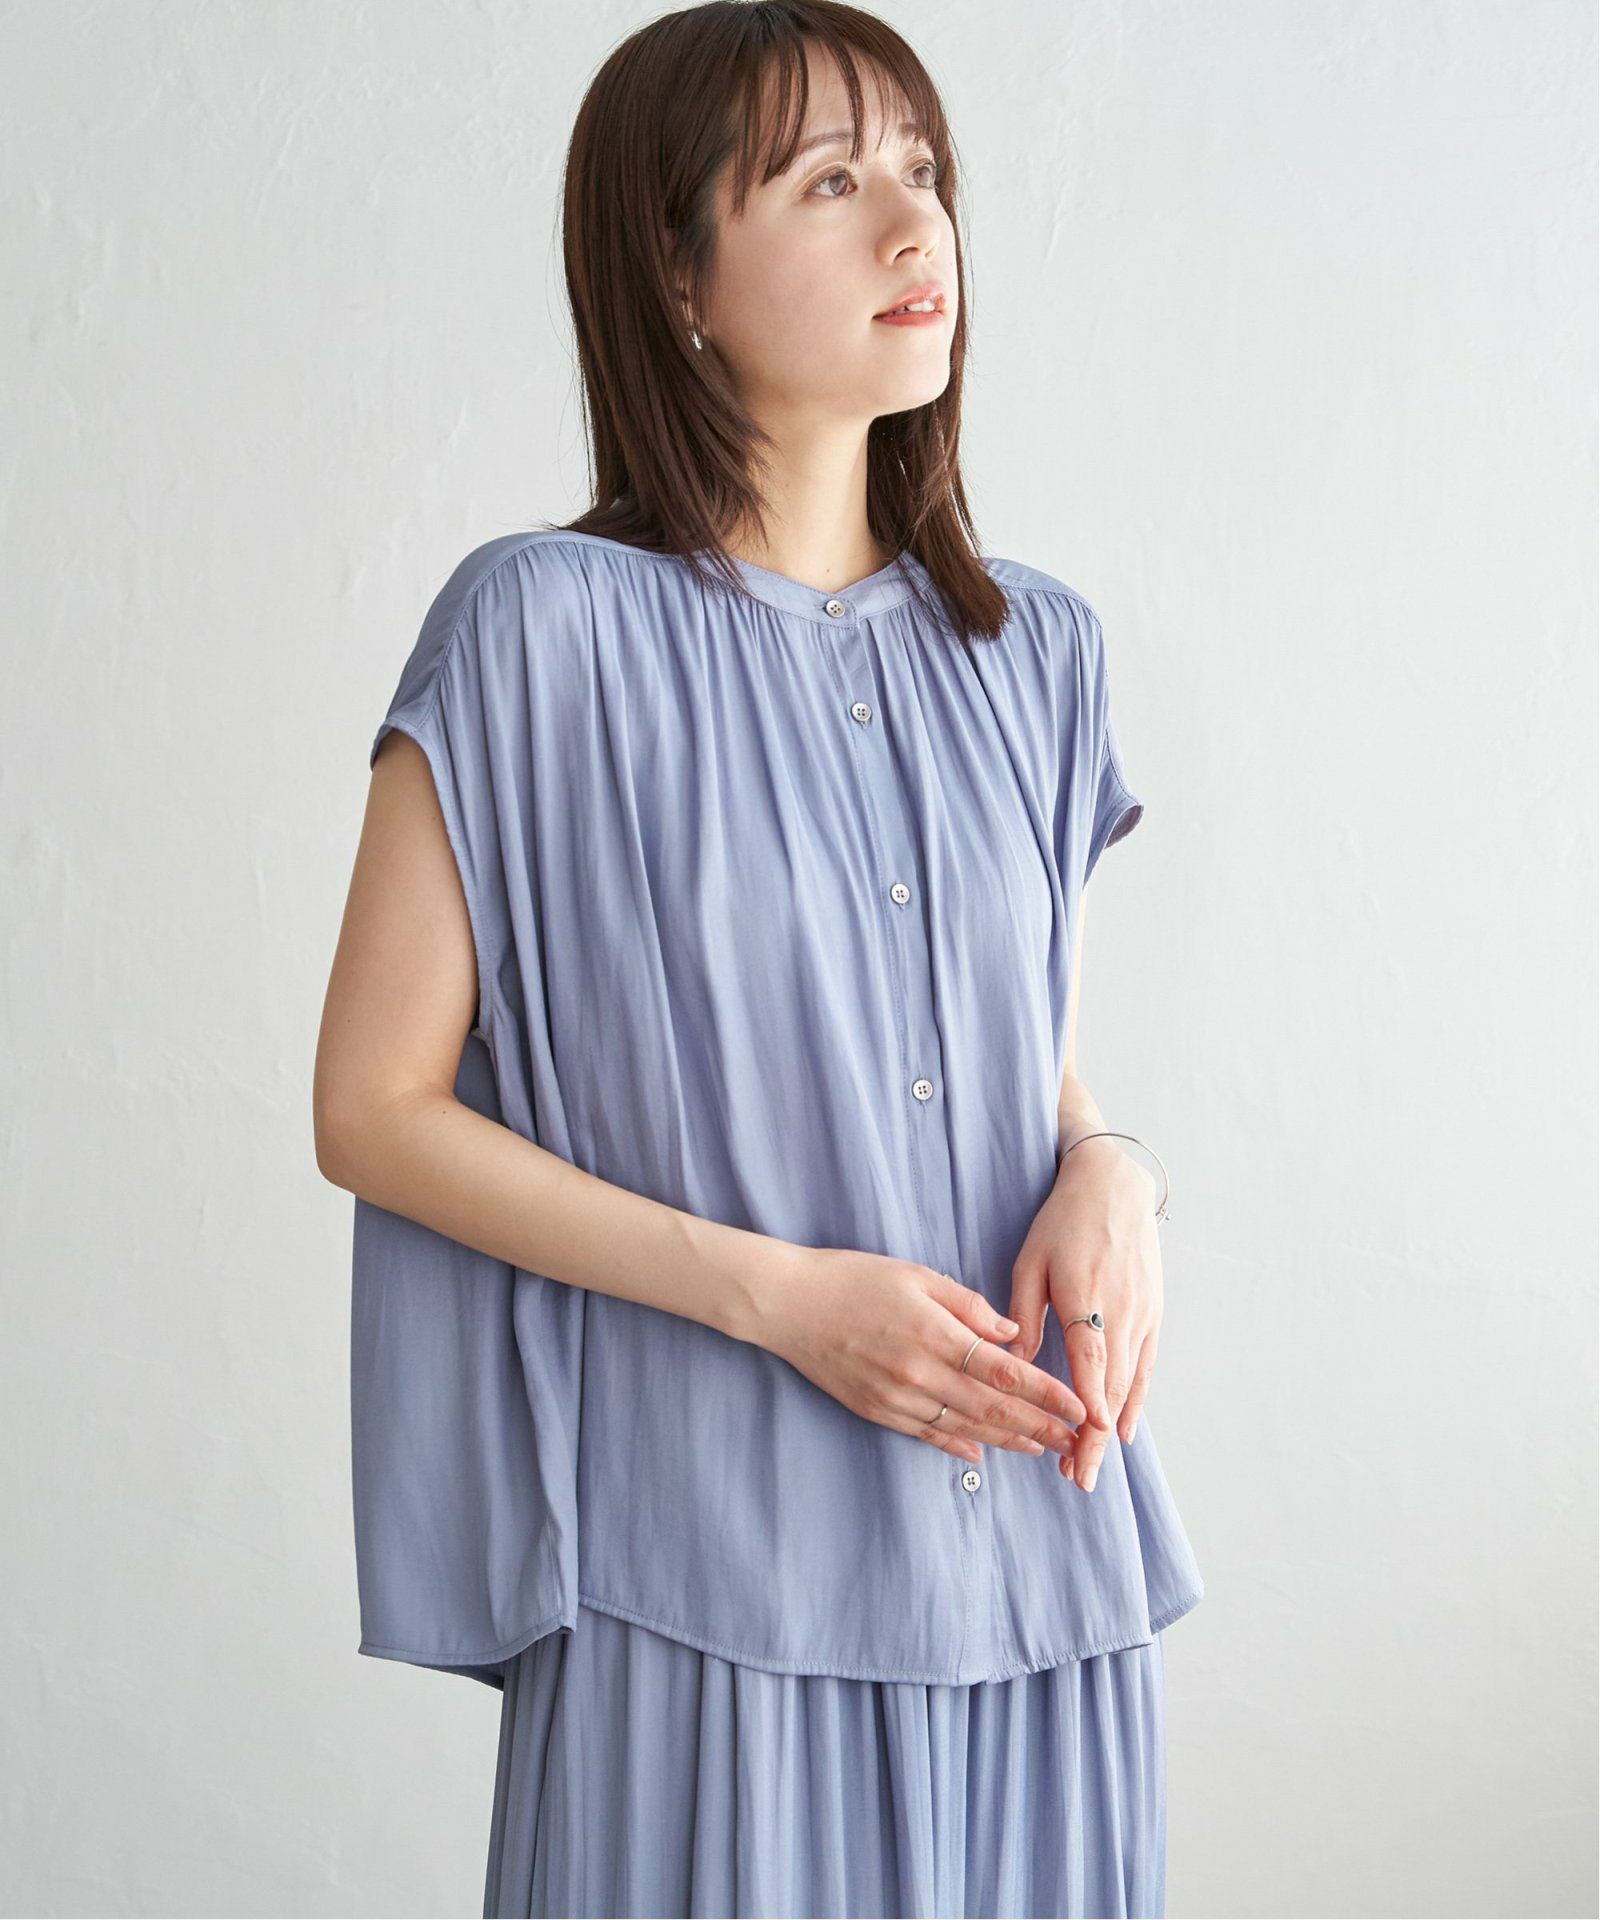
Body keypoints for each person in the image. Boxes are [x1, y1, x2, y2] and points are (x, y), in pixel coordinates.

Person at [314, 4, 1204, 1914]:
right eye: (828, 181)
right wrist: (783, 1301)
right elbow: (372, 1109)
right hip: (709, 1579)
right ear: (676, 275)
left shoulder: (1035, 653)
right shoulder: (539, 632)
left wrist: (1113, 1169)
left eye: (924, 172)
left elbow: (986, 1039)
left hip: (1038, 1571)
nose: (914, 224)